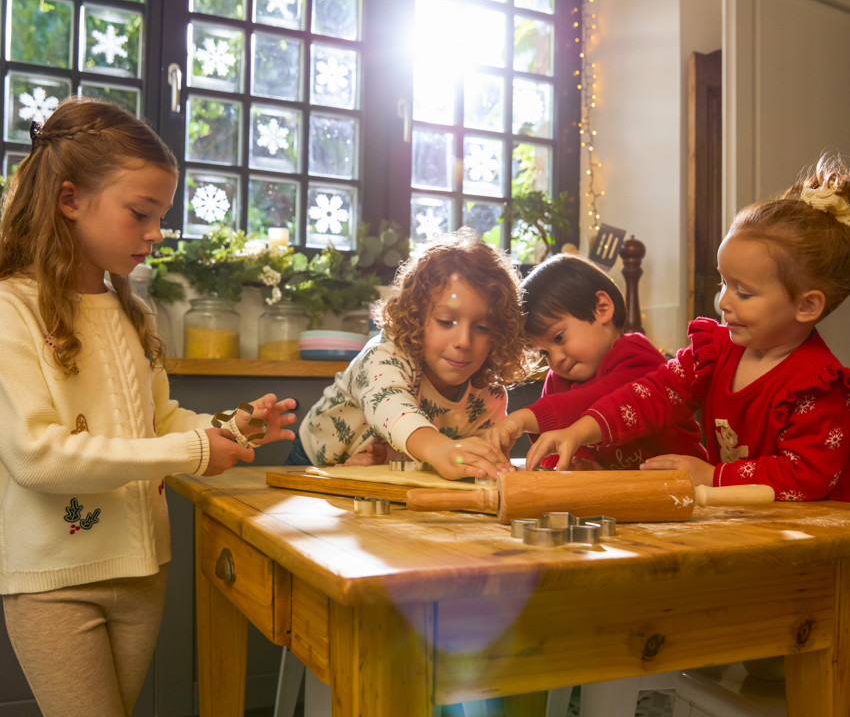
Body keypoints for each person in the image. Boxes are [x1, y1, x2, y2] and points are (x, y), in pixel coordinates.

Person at [0, 98, 298, 717]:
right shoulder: (12, 308)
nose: (156, 233)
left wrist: (231, 427)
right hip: (53, 584)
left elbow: (160, 421)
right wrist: (195, 451)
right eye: (141, 212)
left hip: (142, 573)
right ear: (70, 199)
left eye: (161, 215)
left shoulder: (134, 312)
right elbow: (36, 455)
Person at [526, 154, 850, 502]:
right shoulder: (714, 350)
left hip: (813, 538)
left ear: (806, 305)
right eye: (723, 284)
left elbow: (806, 477)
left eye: (743, 292)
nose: (725, 302)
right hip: (749, 525)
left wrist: (713, 475)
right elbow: (650, 395)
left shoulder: (817, 386)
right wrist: (581, 430)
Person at [289, 229, 530, 480]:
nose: (463, 341)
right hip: (315, 462)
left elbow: (460, 459)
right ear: (416, 316)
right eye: (446, 321)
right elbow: (391, 407)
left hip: (382, 473)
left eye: (482, 327)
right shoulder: (385, 355)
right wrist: (441, 449)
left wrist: (390, 459)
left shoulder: (490, 394)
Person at [486, 252, 706, 469]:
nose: (556, 359)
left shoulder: (637, 356)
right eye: (544, 353)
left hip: (683, 489)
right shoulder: (557, 381)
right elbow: (554, 445)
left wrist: (525, 417)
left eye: (559, 337)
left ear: (602, 308)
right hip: (619, 495)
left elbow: (596, 400)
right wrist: (573, 466)